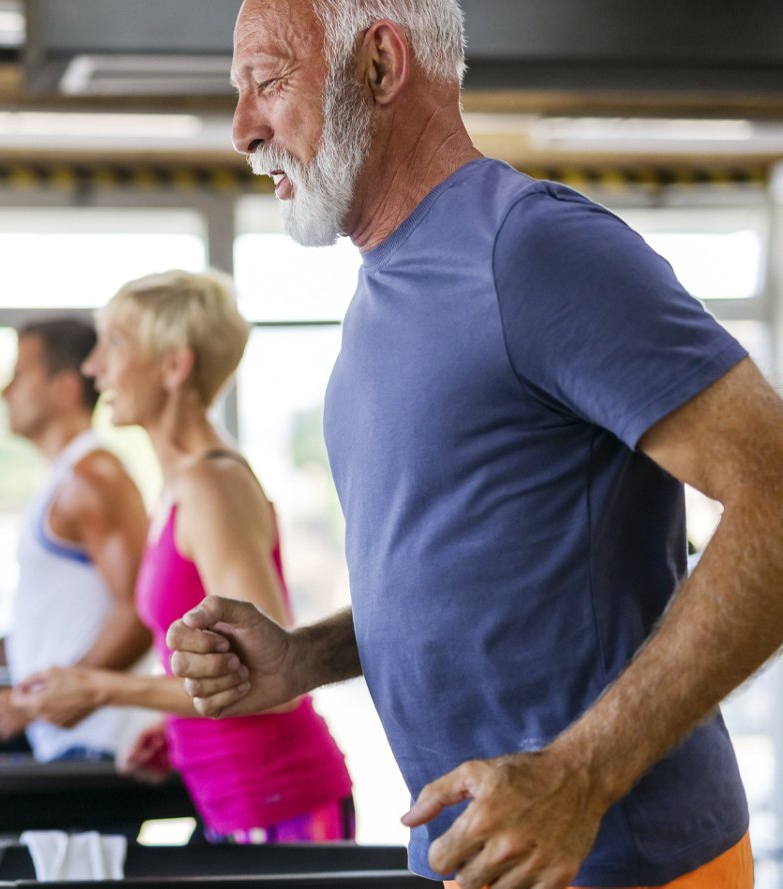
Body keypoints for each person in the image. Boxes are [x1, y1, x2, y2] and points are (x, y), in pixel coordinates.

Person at [166, 1, 783, 887]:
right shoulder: (378, 296)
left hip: (623, 858)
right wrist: (306, 657)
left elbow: (775, 490)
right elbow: (479, 580)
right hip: (474, 856)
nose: (241, 129)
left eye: (268, 83)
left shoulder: (532, 246)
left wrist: (582, 773)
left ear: (379, 65)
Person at [12, 269, 355, 844]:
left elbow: (276, 679)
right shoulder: (178, 485)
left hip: (281, 801)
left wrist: (101, 689)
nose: (94, 368)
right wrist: (169, 727)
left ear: (174, 367)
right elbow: (218, 671)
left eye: (114, 345)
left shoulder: (210, 486)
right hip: (231, 799)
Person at [0, 318, 153, 763]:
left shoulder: (94, 478)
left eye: (20, 375)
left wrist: (46, 698)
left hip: (96, 744)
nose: (4, 392)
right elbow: (54, 627)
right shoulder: (65, 478)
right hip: (65, 739)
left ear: (64, 389)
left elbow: (140, 612)